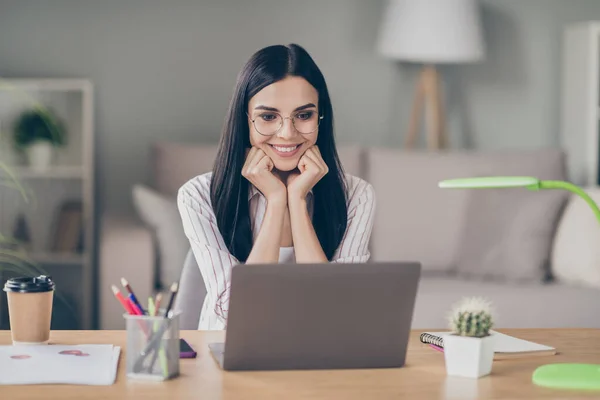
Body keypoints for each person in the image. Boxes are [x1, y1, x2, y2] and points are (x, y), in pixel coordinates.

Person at [177, 43, 376, 330]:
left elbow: (334, 312)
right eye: (268, 117)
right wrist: (275, 200)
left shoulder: (357, 196)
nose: (287, 133)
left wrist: (296, 201)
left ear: (321, 117)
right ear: (245, 120)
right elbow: (238, 313)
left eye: (304, 115)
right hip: (230, 351)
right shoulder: (197, 196)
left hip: (318, 353)